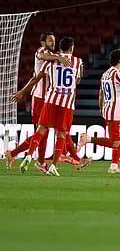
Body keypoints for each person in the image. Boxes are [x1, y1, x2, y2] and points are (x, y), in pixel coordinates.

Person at [12, 37, 84, 176]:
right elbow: (77, 81)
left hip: (50, 99)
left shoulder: (50, 61)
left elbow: (36, 79)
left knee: (41, 129)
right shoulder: (78, 61)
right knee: (62, 133)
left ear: (60, 47)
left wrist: (22, 92)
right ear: (72, 47)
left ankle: (29, 155)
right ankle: (53, 165)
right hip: (66, 103)